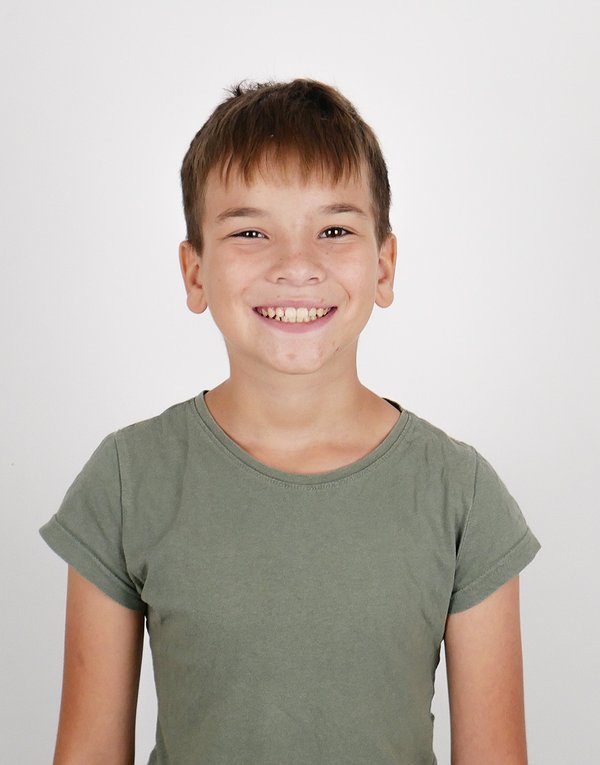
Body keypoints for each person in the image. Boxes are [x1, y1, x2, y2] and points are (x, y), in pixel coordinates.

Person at [39, 78, 541, 765]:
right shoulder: (128, 479)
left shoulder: (462, 494)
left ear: (384, 266)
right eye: (250, 232)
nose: (297, 265)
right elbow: (89, 752)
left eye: (334, 231)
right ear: (195, 272)